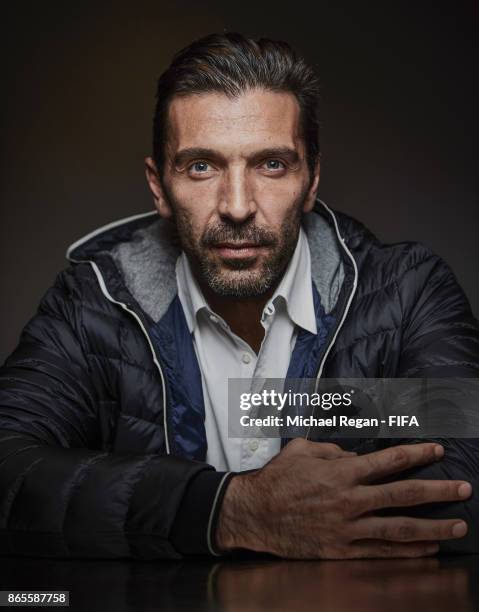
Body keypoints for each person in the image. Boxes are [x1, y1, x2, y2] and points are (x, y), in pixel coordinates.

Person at [0, 31, 478, 561]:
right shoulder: (91, 304)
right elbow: (10, 467)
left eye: (271, 165)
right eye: (201, 166)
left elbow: (467, 479)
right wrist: (226, 509)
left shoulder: (408, 291)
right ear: (159, 186)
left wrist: (270, 408)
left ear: (312, 179)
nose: (236, 206)